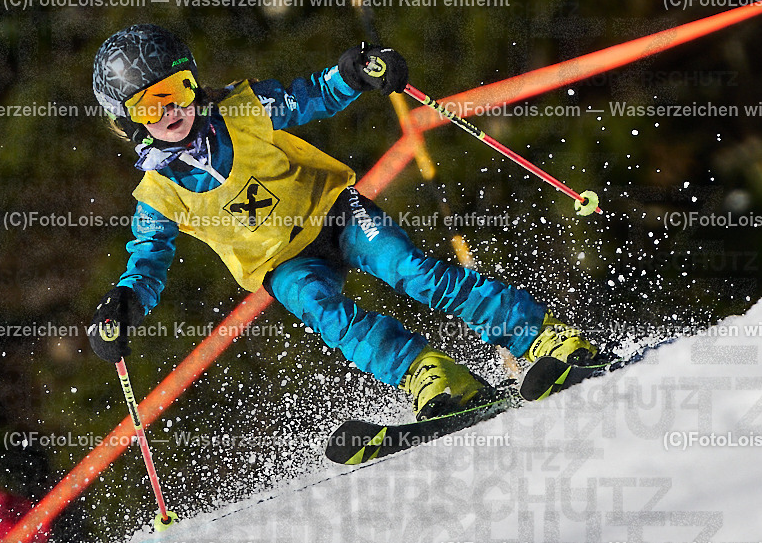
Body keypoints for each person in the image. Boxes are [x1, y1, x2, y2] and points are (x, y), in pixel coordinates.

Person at [87, 24, 600, 422]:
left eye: (177, 88)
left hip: (334, 212)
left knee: (413, 271)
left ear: (193, 81)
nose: (171, 109)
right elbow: (148, 259)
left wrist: (356, 73)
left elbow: (310, 95)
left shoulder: (243, 111)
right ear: (126, 119)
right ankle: (434, 379)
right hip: (281, 263)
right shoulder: (157, 195)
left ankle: (539, 335)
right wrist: (126, 304)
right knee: (332, 317)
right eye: (149, 104)